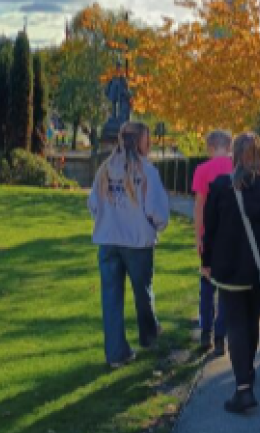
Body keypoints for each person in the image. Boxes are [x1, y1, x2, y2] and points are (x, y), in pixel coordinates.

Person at [202, 133, 260, 414]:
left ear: (235, 156)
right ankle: (248, 374)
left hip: (229, 268)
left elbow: (210, 228)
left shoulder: (220, 187)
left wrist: (206, 261)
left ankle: (243, 386)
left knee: (236, 325)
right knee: (251, 321)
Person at [88, 121, 170, 369]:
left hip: (108, 240)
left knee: (111, 298)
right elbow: (158, 211)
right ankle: (149, 335)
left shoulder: (105, 169)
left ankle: (116, 353)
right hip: (136, 241)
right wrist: (156, 225)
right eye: (148, 139)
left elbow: (92, 204)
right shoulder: (146, 171)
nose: (151, 143)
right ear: (139, 142)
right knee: (142, 292)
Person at [192, 130, 233, 355]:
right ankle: (220, 335)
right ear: (229, 146)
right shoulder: (237, 168)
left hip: (210, 235)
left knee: (207, 284)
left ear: (210, 147)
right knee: (226, 287)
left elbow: (199, 206)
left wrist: (199, 236)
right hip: (231, 236)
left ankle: (205, 332)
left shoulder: (202, 170)